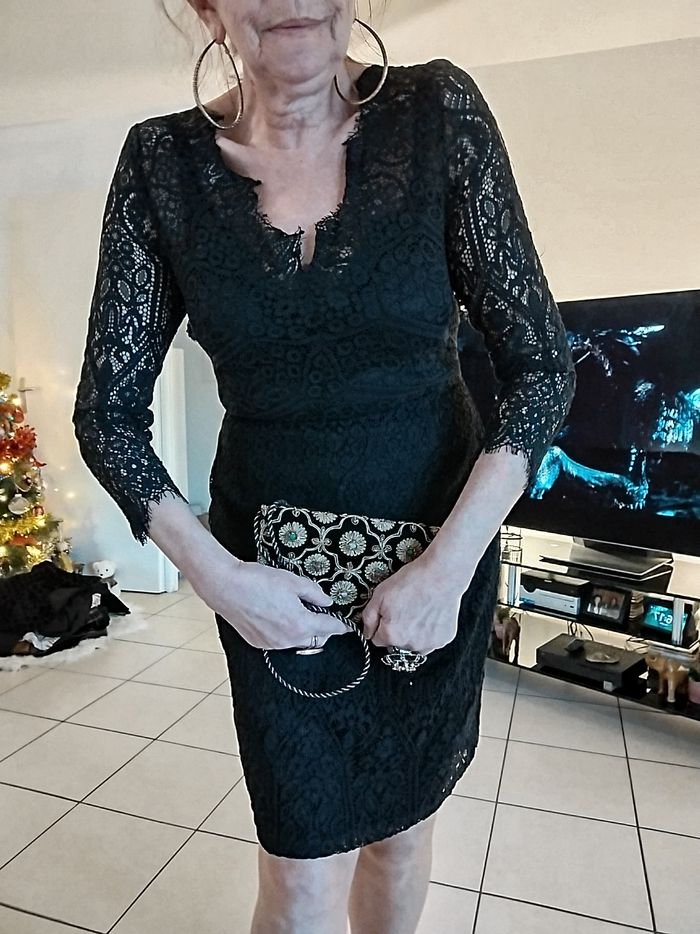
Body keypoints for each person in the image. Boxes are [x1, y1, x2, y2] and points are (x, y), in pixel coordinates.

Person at [72, 2, 576, 931]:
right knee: (299, 867)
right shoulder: (161, 164)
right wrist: (219, 580)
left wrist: (448, 569)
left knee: (400, 836)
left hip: (437, 563)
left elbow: (542, 368)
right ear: (208, 7)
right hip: (265, 586)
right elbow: (106, 416)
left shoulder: (438, 114)